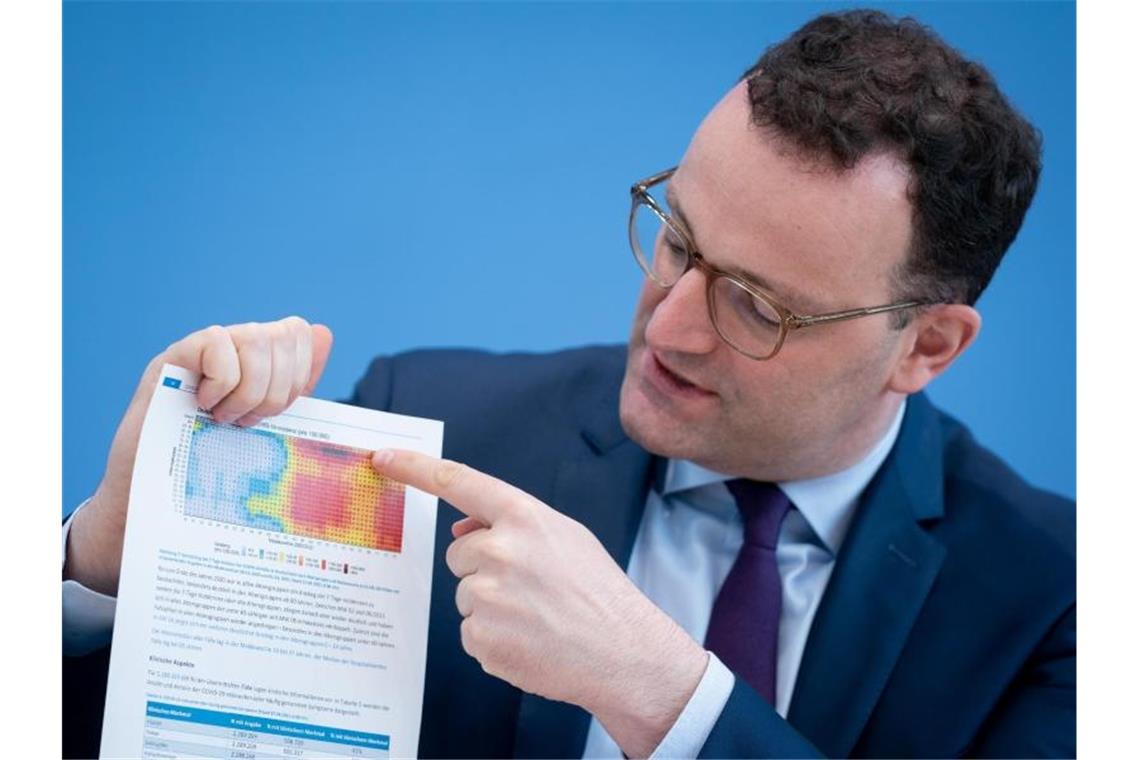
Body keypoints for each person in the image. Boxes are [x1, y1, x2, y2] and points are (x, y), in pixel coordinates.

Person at [62, 9, 1075, 758]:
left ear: (927, 346)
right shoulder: (426, 432)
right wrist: (113, 558)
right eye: (676, 239)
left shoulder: (1061, 602)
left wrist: (665, 693)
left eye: (760, 307)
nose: (667, 324)